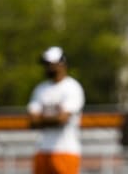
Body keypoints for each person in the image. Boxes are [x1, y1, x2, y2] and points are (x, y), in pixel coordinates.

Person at [26, 46, 86, 174]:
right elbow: (32, 122)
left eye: (50, 64)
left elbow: (62, 119)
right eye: (46, 64)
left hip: (66, 151)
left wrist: (42, 118)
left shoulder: (72, 87)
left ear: (62, 63)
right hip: (42, 150)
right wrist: (55, 117)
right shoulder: (40, 89)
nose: (47, 67)